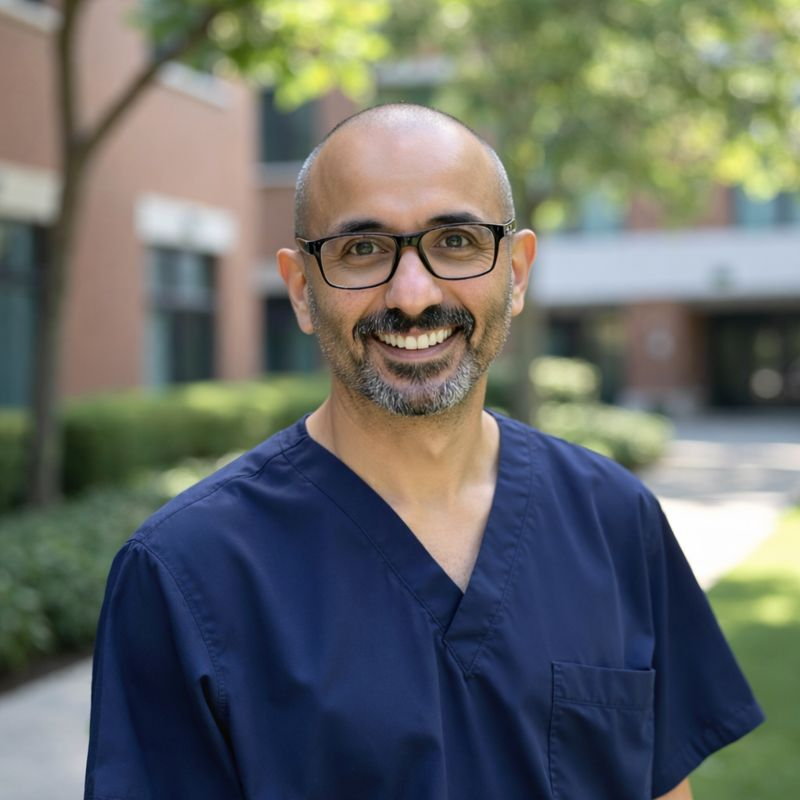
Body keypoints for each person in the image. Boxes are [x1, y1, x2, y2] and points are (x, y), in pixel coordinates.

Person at [84, 104, 763, 800]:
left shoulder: (615, 519)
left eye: (457, 241)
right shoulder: (185, 572)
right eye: (362, 250)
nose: (413, 295)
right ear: (301, 290)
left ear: (517, 270)